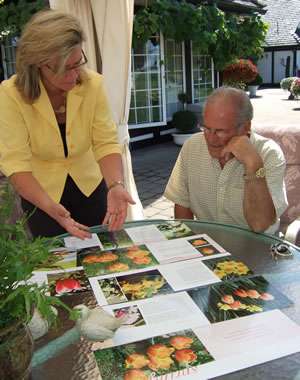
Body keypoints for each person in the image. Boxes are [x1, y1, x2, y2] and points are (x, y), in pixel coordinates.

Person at [0, 9, 135, 238]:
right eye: (66, 69)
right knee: (56, 266)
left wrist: (115, 185)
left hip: (92, 189)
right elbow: (15, 163)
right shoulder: (11, 95)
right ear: (38, 64)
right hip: (42, 197)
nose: (75, 75)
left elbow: (105, 142)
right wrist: (53, 210)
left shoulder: (92, 85)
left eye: (78, 63)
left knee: (104, 259)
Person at [164, 87, 288, 234]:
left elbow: (260, 225)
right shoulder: (192, 146)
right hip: (209, 247)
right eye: (207, 128)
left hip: (257, 249)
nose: (210, 139)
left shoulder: (269, 154)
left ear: (246, 127)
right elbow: (182, 205)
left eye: (220, 131)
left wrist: (253, 164)